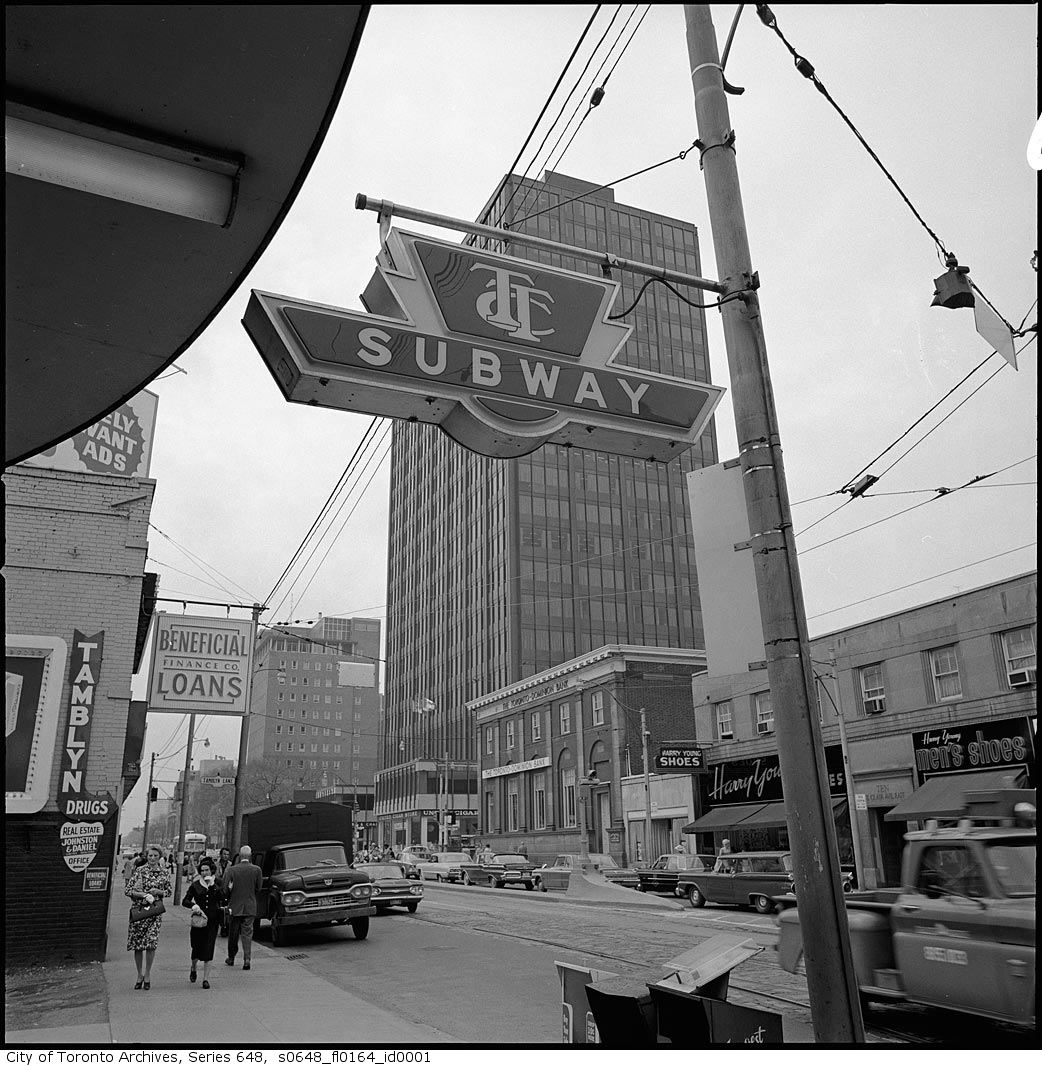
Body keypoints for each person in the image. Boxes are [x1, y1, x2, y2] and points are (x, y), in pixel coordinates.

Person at [125, 844, 172, 990]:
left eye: (155, 856)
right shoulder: (139, 871)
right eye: (150, 856)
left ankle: (147, 973)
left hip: (154, 913)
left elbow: (169, 892)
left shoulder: (164, 873)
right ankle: (139, 974)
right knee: (138, 945)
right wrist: (143, 894)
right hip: (139, 911)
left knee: (151, 944)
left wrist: (158, 891)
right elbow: (128, 890)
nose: (152, 858)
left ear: (160, 857)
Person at [182, 855, 224, 988]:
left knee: (209, 948)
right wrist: (193, 906)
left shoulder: (217, 883)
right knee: (196, 948)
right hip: (198, 921)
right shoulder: (195, 885)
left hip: (212, 921)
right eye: (202, 870)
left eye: (207, 870)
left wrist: (213, 886)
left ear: (212, 871)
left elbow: (223, 898)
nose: (205, 873)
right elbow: (185, 901)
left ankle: (206, 979)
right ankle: (193, 967)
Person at [222, 845, 262, 970]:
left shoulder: (232, 870)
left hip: (235, 905)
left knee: (233, 933)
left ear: (239, 856)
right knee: (247, 933)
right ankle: (247, 959)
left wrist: (230, 894)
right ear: (250, 856)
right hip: (250, 905)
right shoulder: (257, 870)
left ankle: (231, 957)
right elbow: (259, 888)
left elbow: (224, 888)